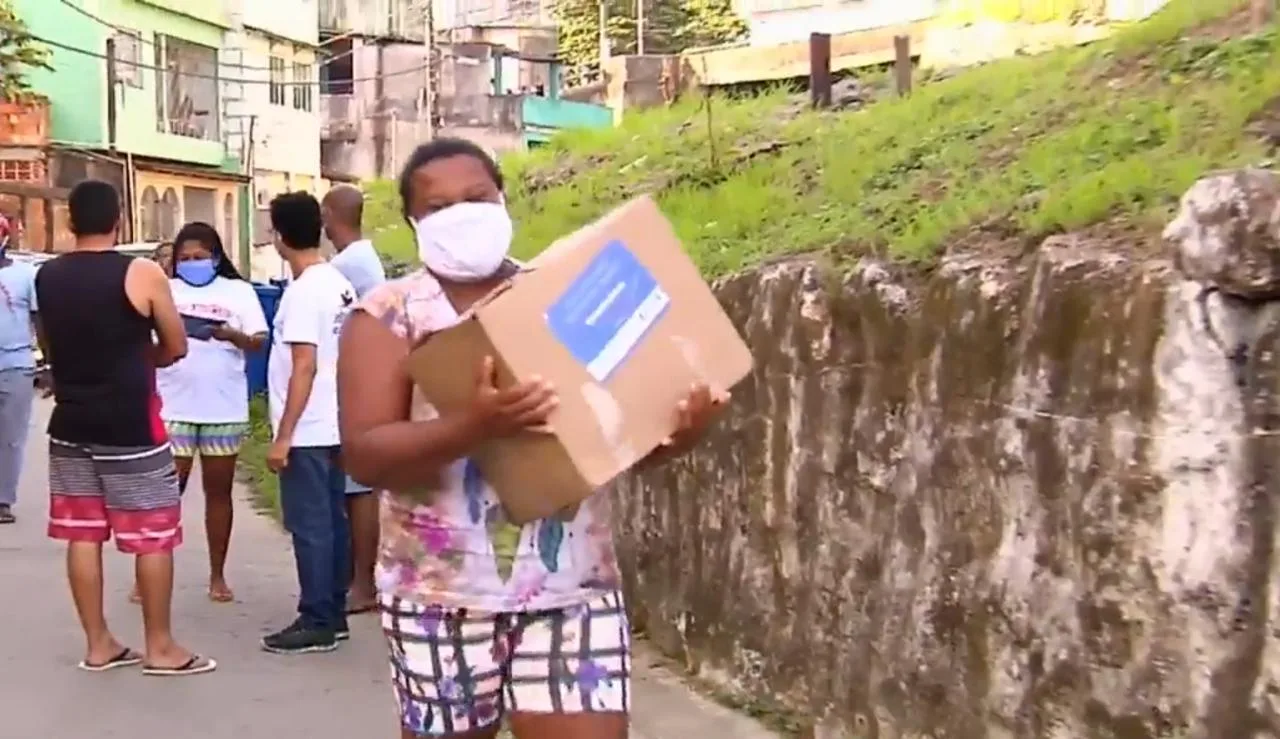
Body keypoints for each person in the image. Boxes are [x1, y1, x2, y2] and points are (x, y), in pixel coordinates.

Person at [337, 138, 728, 739]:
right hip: (441, 596)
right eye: (438, 208)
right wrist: (476, 425)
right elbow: (366, 453)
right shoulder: (386, 316)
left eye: (476, 197)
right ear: (413, 223)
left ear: (503, 199)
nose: (460, 214)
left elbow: (618, 443)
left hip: (572, 588)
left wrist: (681, 433)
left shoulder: (565, 298)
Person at [36, 179, 215, 676]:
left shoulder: (47, 276)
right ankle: (160, 647)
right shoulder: (140, 273)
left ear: (70, 221)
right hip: (132, 425)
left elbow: (50, 347)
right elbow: (176, 344)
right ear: (119, 219)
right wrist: (146, 361)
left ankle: (99, 644)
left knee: (83, 535)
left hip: (70, 422)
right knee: (152, 536)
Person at [150, 222, 268, 603]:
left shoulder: (239, 292)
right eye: (184, 258)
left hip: (222, 407)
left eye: (200, 257)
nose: (192, 264)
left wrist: (226, 334)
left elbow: (257, 341)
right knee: (167, 493)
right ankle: (149, 573)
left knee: (218, 493)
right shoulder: (164, 290)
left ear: (216, 257)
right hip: (173, 405)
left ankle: (217, 574)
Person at [263, 191, 357, 655]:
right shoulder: (338, 284)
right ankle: (333, 610)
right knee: (333, 522)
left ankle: (317, 615)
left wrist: (283, 436)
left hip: (309, 428)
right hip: (335, 421)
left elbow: (305, 365)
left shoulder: (303, 293)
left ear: (279, 237)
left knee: (311, 524)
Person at [322, 183, 386, 615]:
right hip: (356, 380)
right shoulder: (363, 258)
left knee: (357, 489)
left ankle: (363, 583)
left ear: (329, 216)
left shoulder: (347, 266)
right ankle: (357, 578)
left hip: (353, 385)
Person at [0, 213, 38, 525]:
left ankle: (3, 499)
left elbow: (41, 321)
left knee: (11, 437)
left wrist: (50, 364)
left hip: (16, 364)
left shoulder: (26, 275)